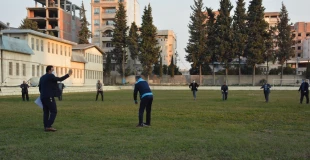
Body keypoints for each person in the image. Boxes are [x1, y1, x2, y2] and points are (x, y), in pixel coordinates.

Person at [39, 65, 72, 132]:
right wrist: (68, 74)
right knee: (54, 111)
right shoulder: (50, 76)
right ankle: (48, 126)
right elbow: (59, 79)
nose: (54, 71)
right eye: (53, 70)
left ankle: (46, 126)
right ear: (49, 70)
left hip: (43, 97)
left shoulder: (42, 77)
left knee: (46, 112)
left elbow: (40, 88)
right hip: (49, 97)